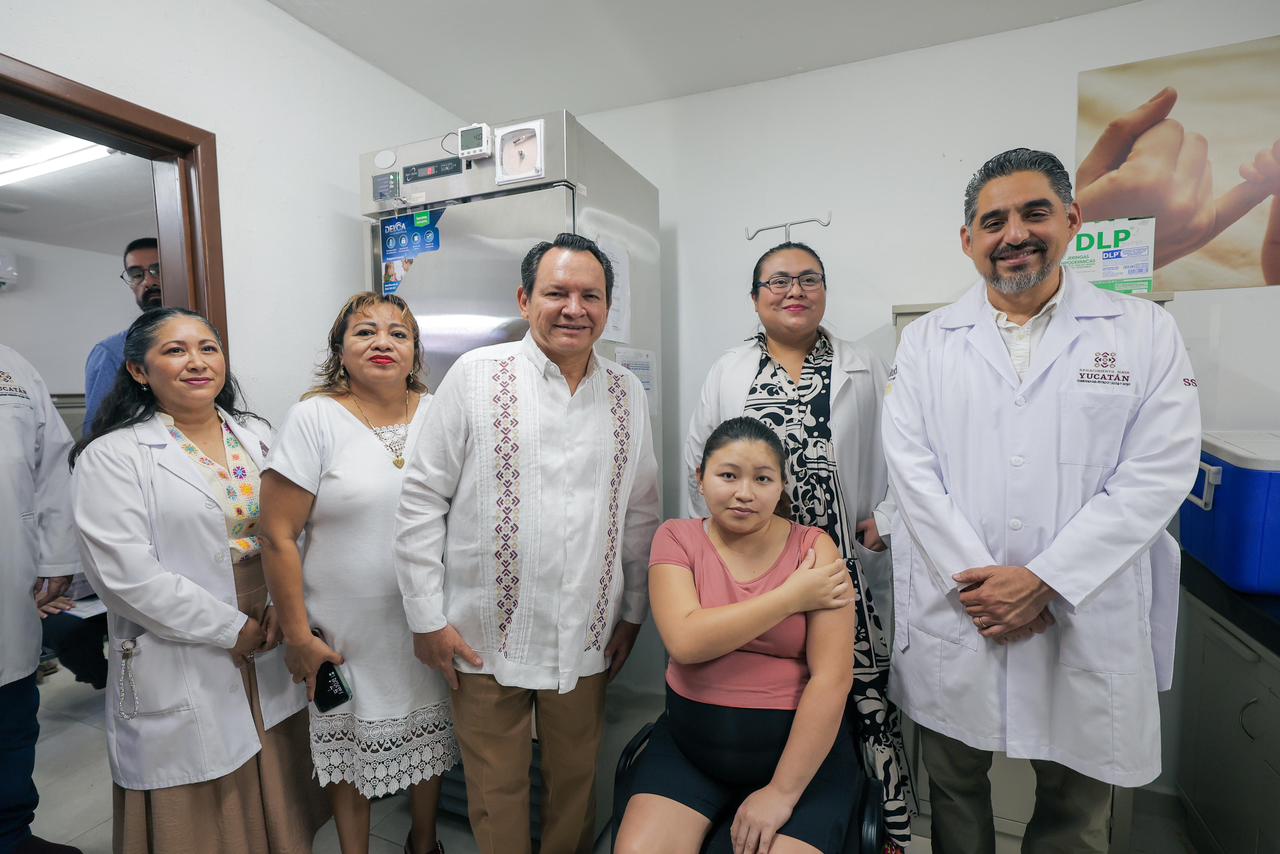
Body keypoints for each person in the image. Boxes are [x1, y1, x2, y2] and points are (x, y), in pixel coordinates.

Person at [882, 148, 1201, 854]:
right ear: (968, 240)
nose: (1015, 234)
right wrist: (988, 591)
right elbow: (912, 474)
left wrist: (1044, 581)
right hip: (963, 610)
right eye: (993, 221)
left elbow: (1158, 471)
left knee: (1074, 808)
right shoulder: (927, 341)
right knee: (954, 789)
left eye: (1035, 213)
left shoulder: (1142, 331)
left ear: (1072, 220)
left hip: (1082, 608)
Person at [394, 232, 661, 854]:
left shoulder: (626, 392)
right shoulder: (475, 377)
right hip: (484, 631)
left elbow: (640, 510)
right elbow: (422, 499)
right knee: (497, 792)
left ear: (608, 306)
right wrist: (426, 617)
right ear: (524, 299)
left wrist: (633, 611)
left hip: (586, 630)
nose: (574, 308)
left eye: (590, 295)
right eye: (556, 293)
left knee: (575, 785)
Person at [70, 308, 328, 853]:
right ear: (139, 371)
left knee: (277, 760)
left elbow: (298, 526)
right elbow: (125, 576)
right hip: (187, 634)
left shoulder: (258, 435)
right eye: (175, 350)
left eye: (208, 348)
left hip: (271, 621)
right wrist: (230, 628)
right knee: (205, 790)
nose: (197, 362)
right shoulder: (112, 456)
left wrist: (287, 604)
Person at [684, 241, 911, 847]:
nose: (795, 291)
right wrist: (720, 557)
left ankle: (872, 828)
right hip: (758, 567)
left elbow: (905, 451)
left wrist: (885, 518)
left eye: (809, 279)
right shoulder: (730, 370)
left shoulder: (862, 364)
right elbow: (699, 464)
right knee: (778, 683)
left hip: (841, 568)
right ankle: (768, 798)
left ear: (825, 292)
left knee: (857, 693)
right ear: (755, 297)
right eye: (779, 280)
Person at [260, 292, 457, 854]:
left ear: (415, 352)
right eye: (365, 332)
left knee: (431, 736)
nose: (382, 343)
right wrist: (298, 637)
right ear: (340, 350)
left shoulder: (441, 412)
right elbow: (277, 535)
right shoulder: (314, 417)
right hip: (343, 629)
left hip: (425, 617)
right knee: (349, 751)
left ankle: (424, 843)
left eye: (398, 333)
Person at [617, 417, 856, 854]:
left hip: (799, 764)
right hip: (691, 751)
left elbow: (832, 679)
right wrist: (790, 597)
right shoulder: (676, 537)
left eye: (762, 479)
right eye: (728, 475)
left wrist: (781, 793)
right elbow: (686, 642)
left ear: (781, 486)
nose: (744, 493)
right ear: (701, 478)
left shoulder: (814, 549)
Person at [0, 344, 81, 854]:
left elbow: (53, 468)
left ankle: (11, 836)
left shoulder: (11, 369)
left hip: (10, 580)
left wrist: (56, 559)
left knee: (12, 722)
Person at [83, 238, 164, 432]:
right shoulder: (112, 352)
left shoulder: (208, 340)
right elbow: (98, 432)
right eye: (136, 274)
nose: (148, 282)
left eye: (158, 270)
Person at [38, 574, 108, 690]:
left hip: (109, 585)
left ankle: (134, 671)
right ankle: (108, 677)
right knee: (69, 632)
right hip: (50, 597)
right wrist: (32, 595)